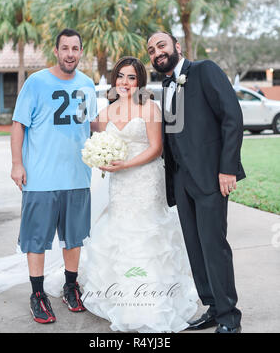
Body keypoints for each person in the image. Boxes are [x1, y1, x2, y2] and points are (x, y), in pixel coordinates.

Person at [79, 56, 198, 333]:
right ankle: (121, 298)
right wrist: (100, 159)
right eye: (120, 76)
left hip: (145, 181)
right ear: (114, 80)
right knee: (121, 234)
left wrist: (125, 164)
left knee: (145, 236)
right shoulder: (106, 112)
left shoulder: (150, 109)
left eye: (131, 77)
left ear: (140, 81)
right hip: (119, 186)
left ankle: (151, 304)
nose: (125, 83)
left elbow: (156, 148)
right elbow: (94, 139)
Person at [147, 31, 245, 334]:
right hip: (181, 180)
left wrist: (227, 169)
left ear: (177, 46)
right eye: (151, 50)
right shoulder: (166, 85)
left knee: (214, 246)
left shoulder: (204, 71)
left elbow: (232, 117)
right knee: (195, 247)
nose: (156, 52)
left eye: (161, 45)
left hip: (211, 177)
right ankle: (213, 308)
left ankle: (230, 317)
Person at [10, 28, 97, 324]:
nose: (70, 53)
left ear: (81, 51)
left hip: (77, 176)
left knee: (73, 239)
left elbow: (91, 125)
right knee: (37, 239)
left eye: (75, 48)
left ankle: (70, 286)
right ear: (56, 51)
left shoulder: (87, 84)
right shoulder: (36, 82)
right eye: (65, 48)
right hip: (41, 178)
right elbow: (18, 125)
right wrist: (17, 164)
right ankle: (37, 294)